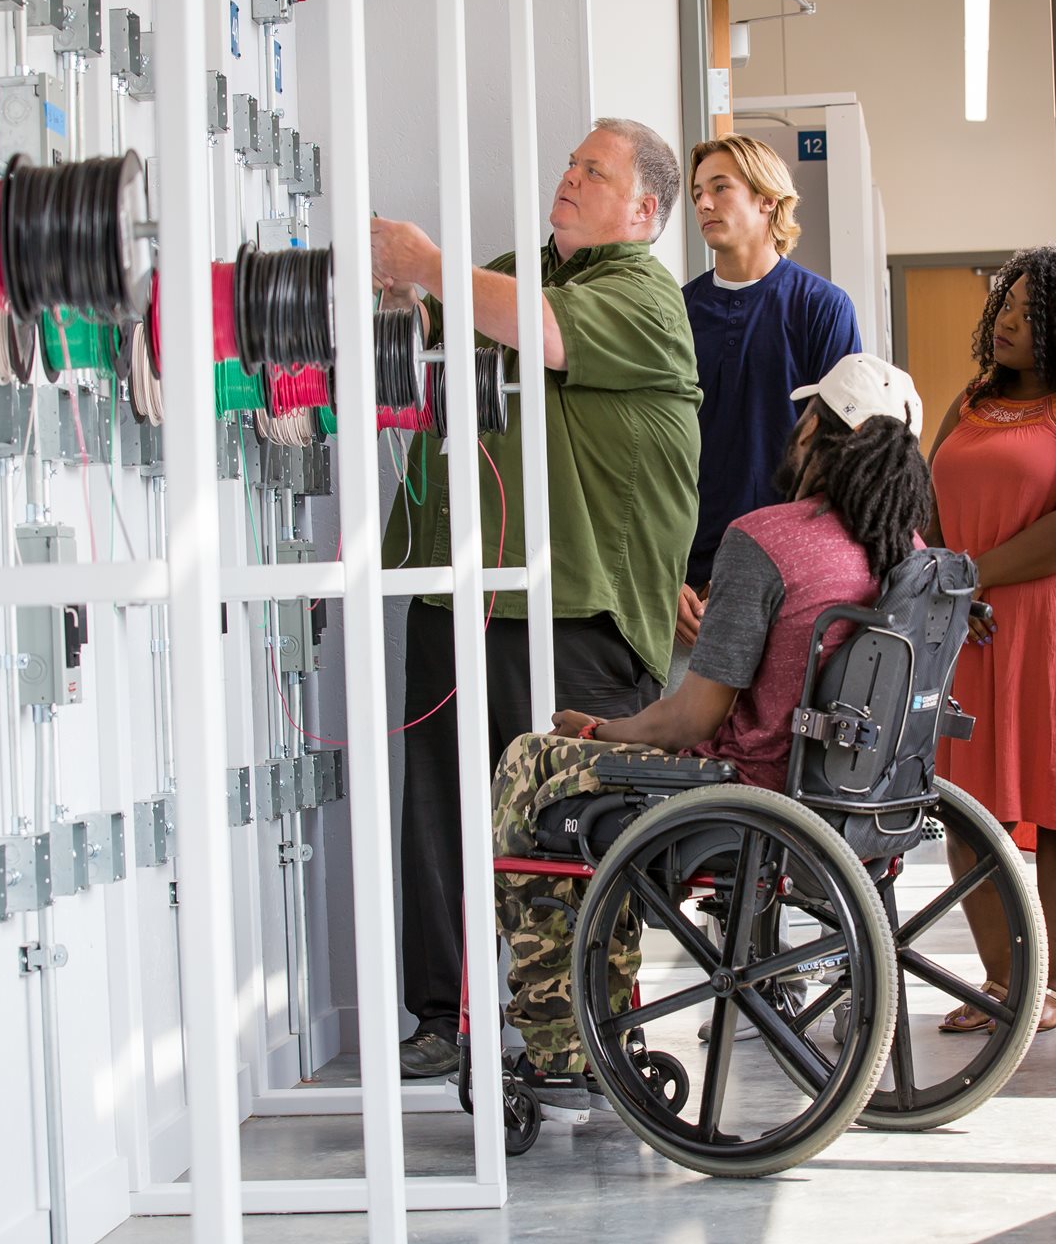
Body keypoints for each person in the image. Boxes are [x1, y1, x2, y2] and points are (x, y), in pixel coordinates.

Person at [491, 353, 930, 1109]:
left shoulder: (766, 541)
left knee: (535, 769)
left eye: (806, 419)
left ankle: (562, 1039)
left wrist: (600, 727)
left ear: (818, 434)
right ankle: (592, 1023)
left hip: (742, 797)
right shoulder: (908, 555)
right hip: (853, 796)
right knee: (565, 776)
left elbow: (692, 718)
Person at [371, 118, 702, 1080]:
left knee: (560, 834)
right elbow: (443, 325)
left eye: (592, 173)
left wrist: (430, 264)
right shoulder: (524, 272)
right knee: (439, 808)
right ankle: (446, 1016)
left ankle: (582, 1032)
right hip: (467, 592)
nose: (568, 178)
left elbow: (538, 333)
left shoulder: (642, 297)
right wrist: (403, 291)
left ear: (644, 212)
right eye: (569, 165)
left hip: (576, 613)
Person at [926, 246, 1056, 1037]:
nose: (1009, 318)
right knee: (966, 804)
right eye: (1005, 303)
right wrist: (942, 576)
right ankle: (998, 980)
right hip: (971, 625)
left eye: (1030, 308)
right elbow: (930, 494)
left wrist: (970, 574)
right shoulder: (975, 398)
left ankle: (1050, 985)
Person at [678, 134, 861, 666]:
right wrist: (668, 577)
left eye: (719, 188)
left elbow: (843, 455)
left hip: (789, 578)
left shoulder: (822, 308)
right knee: (684, 743)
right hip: (687, 589)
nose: (704, 204)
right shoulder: (677, 311)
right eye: (696, 193)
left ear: (767, 200)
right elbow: (651, 458)